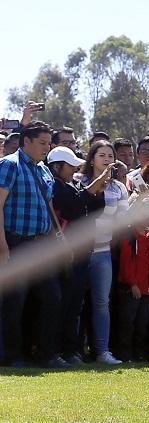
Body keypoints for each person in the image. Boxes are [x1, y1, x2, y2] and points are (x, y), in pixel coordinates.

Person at [0, 121, 68, 368]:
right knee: (14, 302)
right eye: (42, 143)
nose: (46, 147)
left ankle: (46, 354)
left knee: (52, 298)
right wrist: (3, 246)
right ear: (25, 141)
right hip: (15, 242)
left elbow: (48, 209)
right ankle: (12, 356)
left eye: (49, 143)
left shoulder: (44, 170)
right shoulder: (9, 165)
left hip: (41, 245)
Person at [48, 147, 110, 365]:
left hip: (82, 251)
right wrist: (96, 184)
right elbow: (74, 206)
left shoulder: (73, 183)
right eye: (70, 165)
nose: (75, 168)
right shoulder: (55, 185)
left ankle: (70, 350)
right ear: (57, 167)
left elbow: (95, 208)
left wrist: (100, 188)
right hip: (64, 252)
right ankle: (54, 351)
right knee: (62, 304)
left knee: (75, 305)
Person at [79, 140, 129, 365]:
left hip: (102, 253)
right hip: (78, 253)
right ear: (92, 159)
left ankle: (102, 351)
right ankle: (73, 351)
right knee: (76, 303)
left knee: (101, 303)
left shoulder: (118, 188)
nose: (108, 159)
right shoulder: (79, 182)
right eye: (102, 155)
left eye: (111, 155)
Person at [114, 157, 149, 362]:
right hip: (132, 287)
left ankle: (139, 353)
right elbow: (126, 263)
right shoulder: (131, 235)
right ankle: (125, 354)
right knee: (127, 322)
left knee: (142, 323)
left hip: (147, 288)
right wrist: (132, 283)